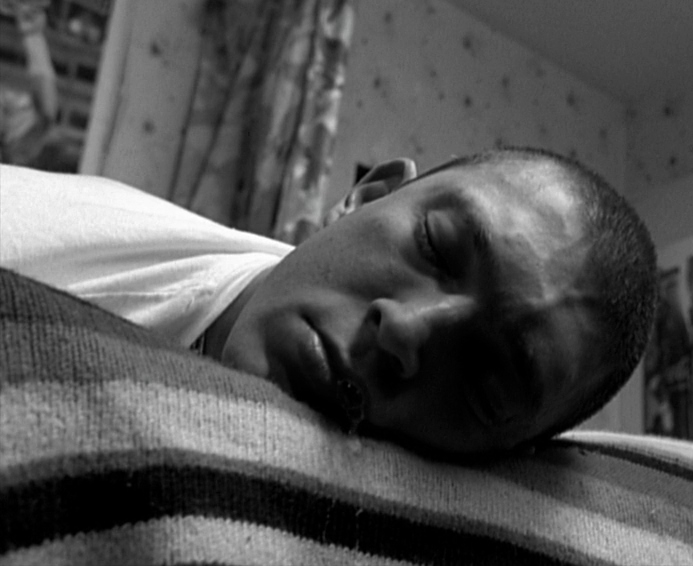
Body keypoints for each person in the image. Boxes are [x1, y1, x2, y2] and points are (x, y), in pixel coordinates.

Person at [0, 147, 658, 460]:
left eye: (488, 385)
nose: (404, 330)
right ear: (368, 196)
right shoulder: (45, 231)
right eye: (435, 245)